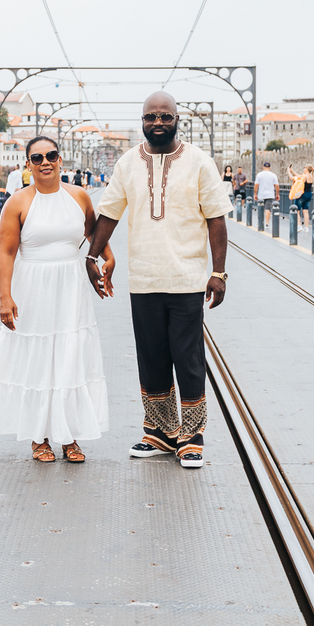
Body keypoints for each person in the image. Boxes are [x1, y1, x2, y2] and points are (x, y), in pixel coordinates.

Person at [86, 92, 231, 469]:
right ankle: (161, 433)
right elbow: (109, 214)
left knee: (188, 358)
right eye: (151, 117)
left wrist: (218, 272)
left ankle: (192, 436)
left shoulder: (200, 161)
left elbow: (216, 218)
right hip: (144, 279)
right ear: (142, 120)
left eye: (165, 116)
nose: (158, 123)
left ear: (177, 118)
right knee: (152, 359)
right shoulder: (127, 163)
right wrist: (92, 255)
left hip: (187, 279)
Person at [0, 136, 114, 464]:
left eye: (51, 155)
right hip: (33, 287)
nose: (45, 162)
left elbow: (94, 234)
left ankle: (70, 437)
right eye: (37, 158)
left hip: (70, 288)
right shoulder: (18, 203)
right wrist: (5, 297)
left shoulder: (79, 196)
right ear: (28, 165)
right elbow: (6, 251)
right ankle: (39, 437)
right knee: (38, 359)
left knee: (70, 356)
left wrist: (108, 258)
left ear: (60, 159)